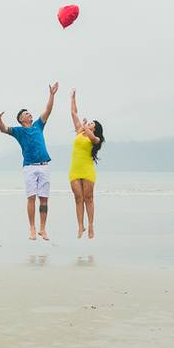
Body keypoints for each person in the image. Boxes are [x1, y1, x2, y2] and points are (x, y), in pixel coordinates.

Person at [0, 82, 59, 240]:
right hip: (29, 167)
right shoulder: (19, 131)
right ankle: (32, 228)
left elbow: (48, 110)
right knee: (31, 197)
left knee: (44, 199)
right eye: (27, 114)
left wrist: (52, 95)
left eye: (30, 113)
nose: (30, 115)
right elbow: (3, 129)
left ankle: (43, 229)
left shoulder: (38, 126)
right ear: (21, 119)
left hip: (44, 166)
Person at [68, 89, 104, 238]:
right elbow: (73, 113)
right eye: (89, 123)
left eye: (91, 124)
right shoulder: (79, 131)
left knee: (88, 198)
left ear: (95, 129)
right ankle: (80, 226)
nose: (89, 124)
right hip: (75, 169)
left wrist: (85, 127)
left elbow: (91, 137)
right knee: (78, 198)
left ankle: (90, 226)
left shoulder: (96, 139)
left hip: (88, 170)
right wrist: (73, 98)